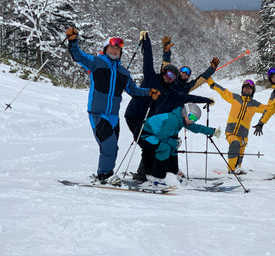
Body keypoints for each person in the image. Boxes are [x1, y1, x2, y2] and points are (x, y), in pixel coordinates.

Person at [65, 27, 160, 183]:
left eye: (117, 49)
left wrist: (149, 92)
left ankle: (104, 172)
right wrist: (73, 41)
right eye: (111, 47)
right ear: (105, 48)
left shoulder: (123, 72)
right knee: (108, 146)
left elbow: (134, 91)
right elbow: (78, 56)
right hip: (98, 114)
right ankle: (105, 175)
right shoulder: (96, 62)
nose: (114, 51)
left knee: (112, 148)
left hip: (114, 117)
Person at [124, 31, 215, 181]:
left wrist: (206, 100)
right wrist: (146, 41)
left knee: (156, 146)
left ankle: (150, 173)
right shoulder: (151, 77)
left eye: (172, 76)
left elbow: (188, 96)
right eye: (167, 74)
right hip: (134, 115)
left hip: (153, 120)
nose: (169, 77)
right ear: (163, 72)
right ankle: (145, 175)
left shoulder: (170, 91)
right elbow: (148, 59)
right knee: (151, 147)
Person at [139, 103, 221, 188]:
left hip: (156, 135)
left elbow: (196, 128)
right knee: (164, 148)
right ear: (185, 113)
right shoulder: (173, 120)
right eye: (191, 117)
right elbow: (162, 137)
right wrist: (174, 143)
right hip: (144, 134)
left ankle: (172, 175)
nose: (192, 121)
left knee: (173, 149)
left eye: (195, 119)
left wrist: (212, 131)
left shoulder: (182, 120)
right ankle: (157, 177)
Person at [207, 77, 266, 174]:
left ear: (253, 91)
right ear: (242, 89)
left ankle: (237, 167)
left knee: (240, 152)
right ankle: (231, 169)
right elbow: (223, 91)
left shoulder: (255, 104)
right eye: (245, 88)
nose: (247, 90)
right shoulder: (235, 98)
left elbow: (269, 109)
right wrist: (211, 82)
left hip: (243, 134)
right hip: (231, 131)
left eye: (249, 89)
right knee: (235, 144)